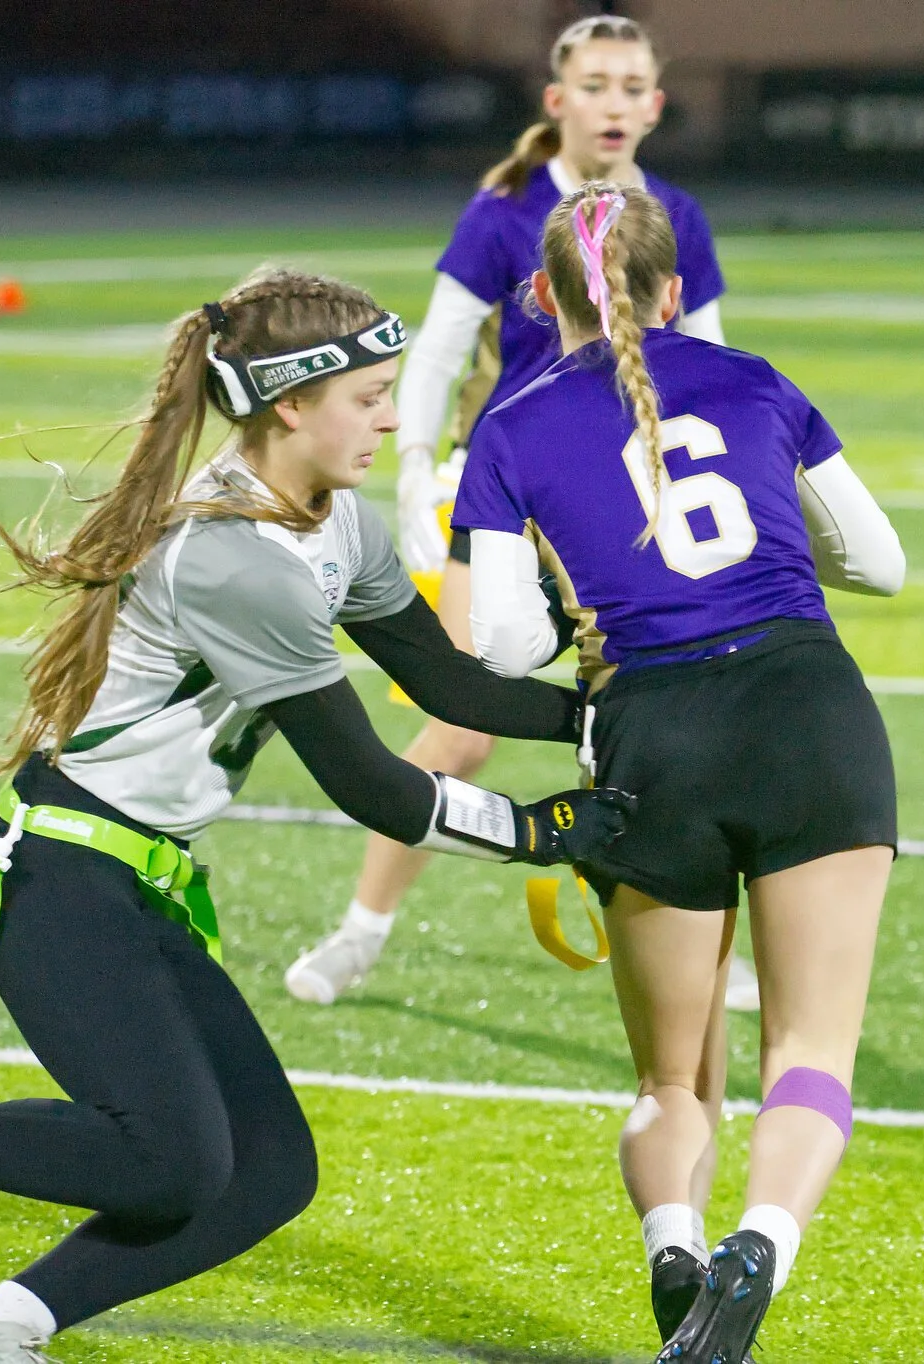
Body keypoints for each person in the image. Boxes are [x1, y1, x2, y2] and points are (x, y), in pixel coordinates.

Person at [0, 268, 632, 1364]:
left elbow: (451, 684)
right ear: (288, 405)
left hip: (137, 876)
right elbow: (366, 778)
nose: (390, 417)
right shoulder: (233, 559)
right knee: (169, 1159)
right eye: (368, 395)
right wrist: (543, 831)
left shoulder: (336, 527)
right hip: (59, 872)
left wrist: (607, 711)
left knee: (268, 1167)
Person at [456, 182, 905, 1361]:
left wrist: (579, 608)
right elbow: (883, 561)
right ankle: (761, 1240)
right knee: (810, 1051)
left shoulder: (506, 426)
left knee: (671, 1076)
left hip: (653, 731)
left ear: (539, 294)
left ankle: (674, 1243)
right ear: (671, 289)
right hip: (810, 709)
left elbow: (496, 644)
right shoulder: (757, 381)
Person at [284, 13, 753, 1010]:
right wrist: (415, 469)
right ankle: (361, 928)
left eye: (632, 86)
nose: (615, 104)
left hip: (627, 500)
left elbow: (710, 362)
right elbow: (443, 347)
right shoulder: (503, 211)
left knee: (671, 721)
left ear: (656, 104)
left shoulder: (675, 217)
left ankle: (705, 942)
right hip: (504, 494)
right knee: (459, 724)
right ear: (557, 101)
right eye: (595, 85)